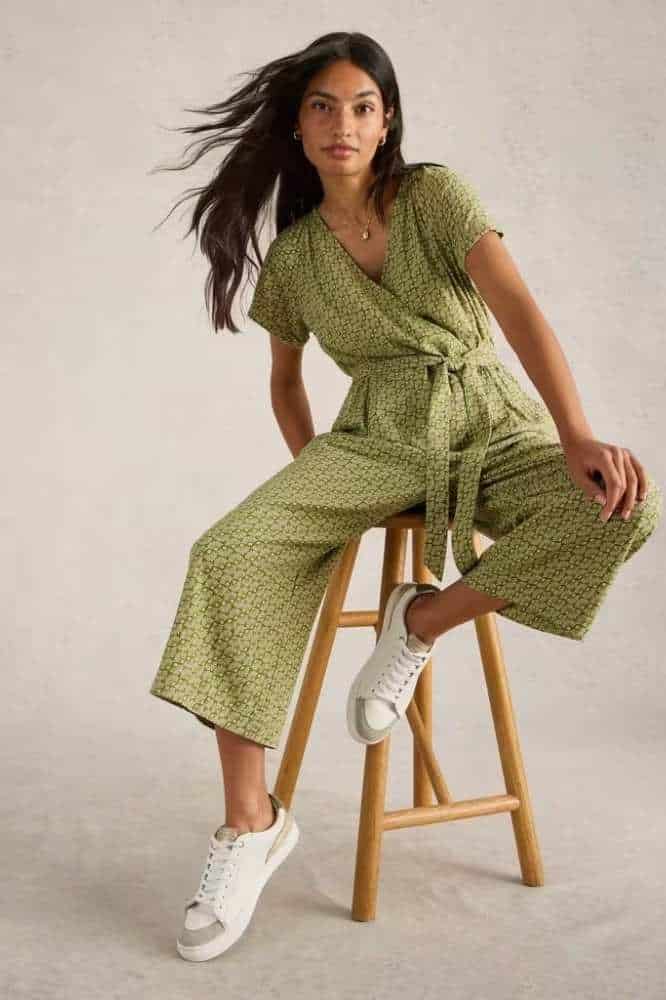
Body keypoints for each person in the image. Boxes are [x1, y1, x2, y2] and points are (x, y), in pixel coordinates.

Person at [148, 32, 662, 961]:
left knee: (625, 502)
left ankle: (420, 623)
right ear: (297, 127)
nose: (341, 124)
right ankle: (251, 822)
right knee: (227, 551)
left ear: (387, 123)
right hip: (373, 439)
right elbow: (284, 383)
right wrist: (316, 479)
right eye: (322, 107)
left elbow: (519, 310)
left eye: (361, 107)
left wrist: (576, 431)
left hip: (488, 419)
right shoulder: (296, 258)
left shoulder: (435, 195)